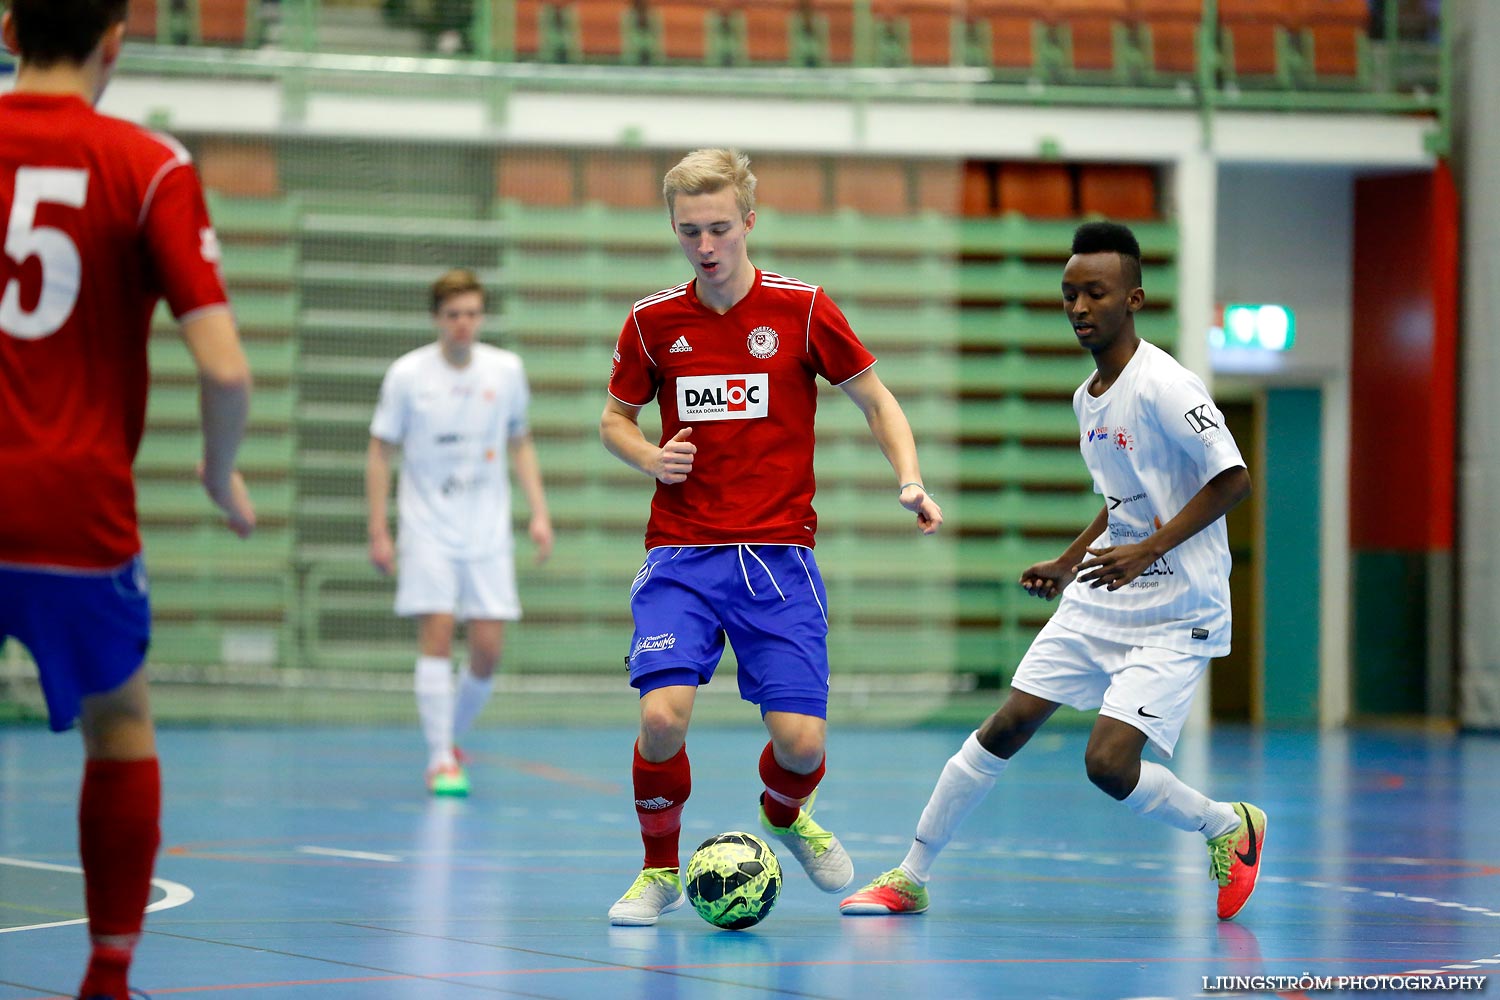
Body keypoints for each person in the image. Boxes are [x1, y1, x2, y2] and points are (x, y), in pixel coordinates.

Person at [839, 221, 1264, 922]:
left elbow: (1233, 480)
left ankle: (1226, 824)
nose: (1078, 308)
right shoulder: (1085, 398)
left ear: (1133, 298)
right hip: (1104, 593)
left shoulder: (1165, 385)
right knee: (1005, 726)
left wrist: (1148, 550)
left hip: (1177, 607)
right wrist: (1072, 562)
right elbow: (1121, 498)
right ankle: (909, 875)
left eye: (1095, 293)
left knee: (1107, 767)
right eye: (1069, 294)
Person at [600, 148, 944, 926]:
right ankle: (658, 869)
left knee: (801, 745)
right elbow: (611, 420)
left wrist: (911, 480)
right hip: (681, 556)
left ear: (749, 221)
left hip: (777, 559)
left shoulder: (805, 309)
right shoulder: (653, 323)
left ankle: (785, 814)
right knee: (661, 718)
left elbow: (878, 401)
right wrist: (652, 457)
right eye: (690, 231)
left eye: (720, 227)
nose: (706, 245)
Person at [0, 2, 257, 997]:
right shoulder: (147, 164)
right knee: (119, 725)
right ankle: (107, 976)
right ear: (116, 39)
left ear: (11, 27)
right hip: (74, 507)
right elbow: (225, 368)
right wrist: (214, 466)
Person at [366, 268, 553, 797]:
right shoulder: (406, 376)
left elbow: (520, 442)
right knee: (439, 634)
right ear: (436, 319)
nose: (463, 324)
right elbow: (380, 451)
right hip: (427, 528)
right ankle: (440, 758)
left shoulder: (506, 370)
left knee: (488, 648)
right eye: (453, 315)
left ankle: (449, 738)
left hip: (488, 529)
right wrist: (379, 529)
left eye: (471, 313)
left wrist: (538, 513)